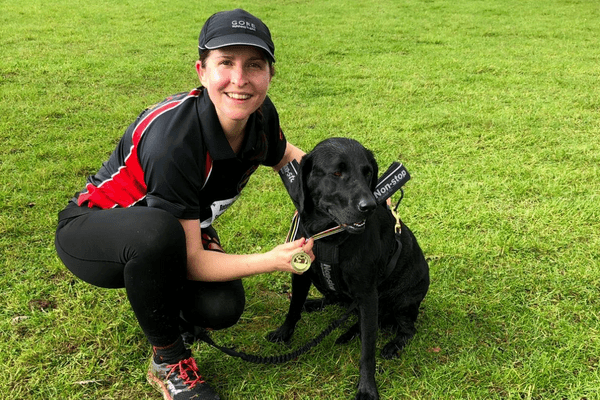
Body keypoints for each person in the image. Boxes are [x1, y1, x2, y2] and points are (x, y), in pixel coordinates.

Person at [54, 9, 314, 400]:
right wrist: (273, 259)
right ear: (202, 71)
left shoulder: (260, 114)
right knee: (155, 235)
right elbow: (190, 258)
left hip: (173, 228)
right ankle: (168, 362)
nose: (239, 80)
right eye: (225, 63)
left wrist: (334, 196)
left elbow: (287, 157)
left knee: (220, 308)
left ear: (270, 75)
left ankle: (163, 299)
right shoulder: (173, 141)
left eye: (254, 65)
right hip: (94, 229)